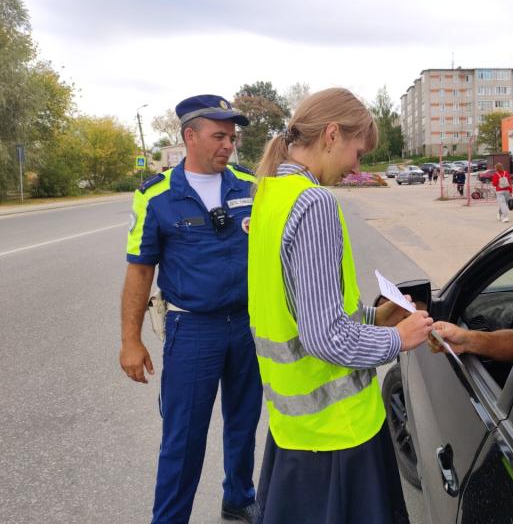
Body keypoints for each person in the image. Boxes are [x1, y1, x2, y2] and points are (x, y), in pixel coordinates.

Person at [248, 88, 434, 524]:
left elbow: (301, 309)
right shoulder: (313, 204)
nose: (356, 166)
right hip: (337, 434)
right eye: (356, 150)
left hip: (294, 428)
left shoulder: (270, 194)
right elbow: (325, 336)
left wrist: (374, 317)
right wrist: (398, 337)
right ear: (331, 134)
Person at [120, 95, 263, 523]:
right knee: (183, 437)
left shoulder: (248, 185)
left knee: (243, 422)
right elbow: (140, 271)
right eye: (219, 136)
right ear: (190, 136)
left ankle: (239, 497)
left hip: (246, 326)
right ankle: (169, 518)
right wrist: (130, 340)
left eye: (232, 137)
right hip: (193, 329)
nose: (228, 145)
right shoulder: (157, 196)